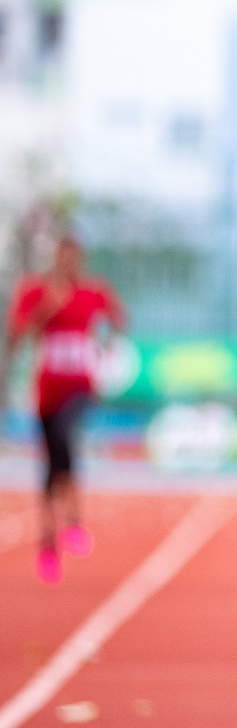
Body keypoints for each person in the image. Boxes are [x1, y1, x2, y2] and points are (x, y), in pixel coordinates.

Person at [3, 237, 126, 584]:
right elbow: (15, 334)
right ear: (55, 260)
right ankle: (49, 541)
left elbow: (117, 321)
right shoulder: (36, 291)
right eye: (63, 259)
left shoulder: (92, 293)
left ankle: (72, 522)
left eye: (75, 260)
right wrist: (46, 309)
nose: (69, 266)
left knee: (64, 438)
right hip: (47, 391)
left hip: (80, 388)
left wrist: (107, 344)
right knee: (51, 463)